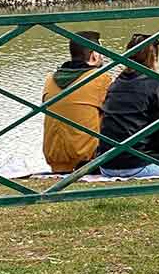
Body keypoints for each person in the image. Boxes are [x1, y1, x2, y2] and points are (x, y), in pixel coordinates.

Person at [97, 34, 159, 177]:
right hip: (137, 167)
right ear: (154, 57)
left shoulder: (115, 84)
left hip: (106, 165)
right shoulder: (156, 85)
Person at [43, 31, 112, 173]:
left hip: (55, 160)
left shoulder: (49, 80)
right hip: (88, 161)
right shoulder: (100, 79)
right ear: (94, 55)